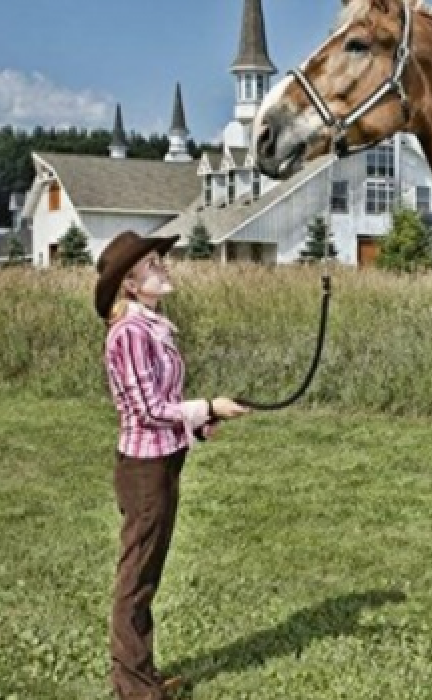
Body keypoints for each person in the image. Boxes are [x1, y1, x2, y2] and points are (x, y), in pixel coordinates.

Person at [93, 231, 249, 699]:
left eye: (161, 260)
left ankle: (141, 674)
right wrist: (206, 407)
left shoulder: (152, 327)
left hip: (160, 460)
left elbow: (163, 405)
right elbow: (146, 409)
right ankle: (134, 687)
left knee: (146, 574)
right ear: (130, 284)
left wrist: (199, 423)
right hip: (145, 470)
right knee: (136, 578)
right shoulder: (131, 333)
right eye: (153, 264)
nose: (164, 268)